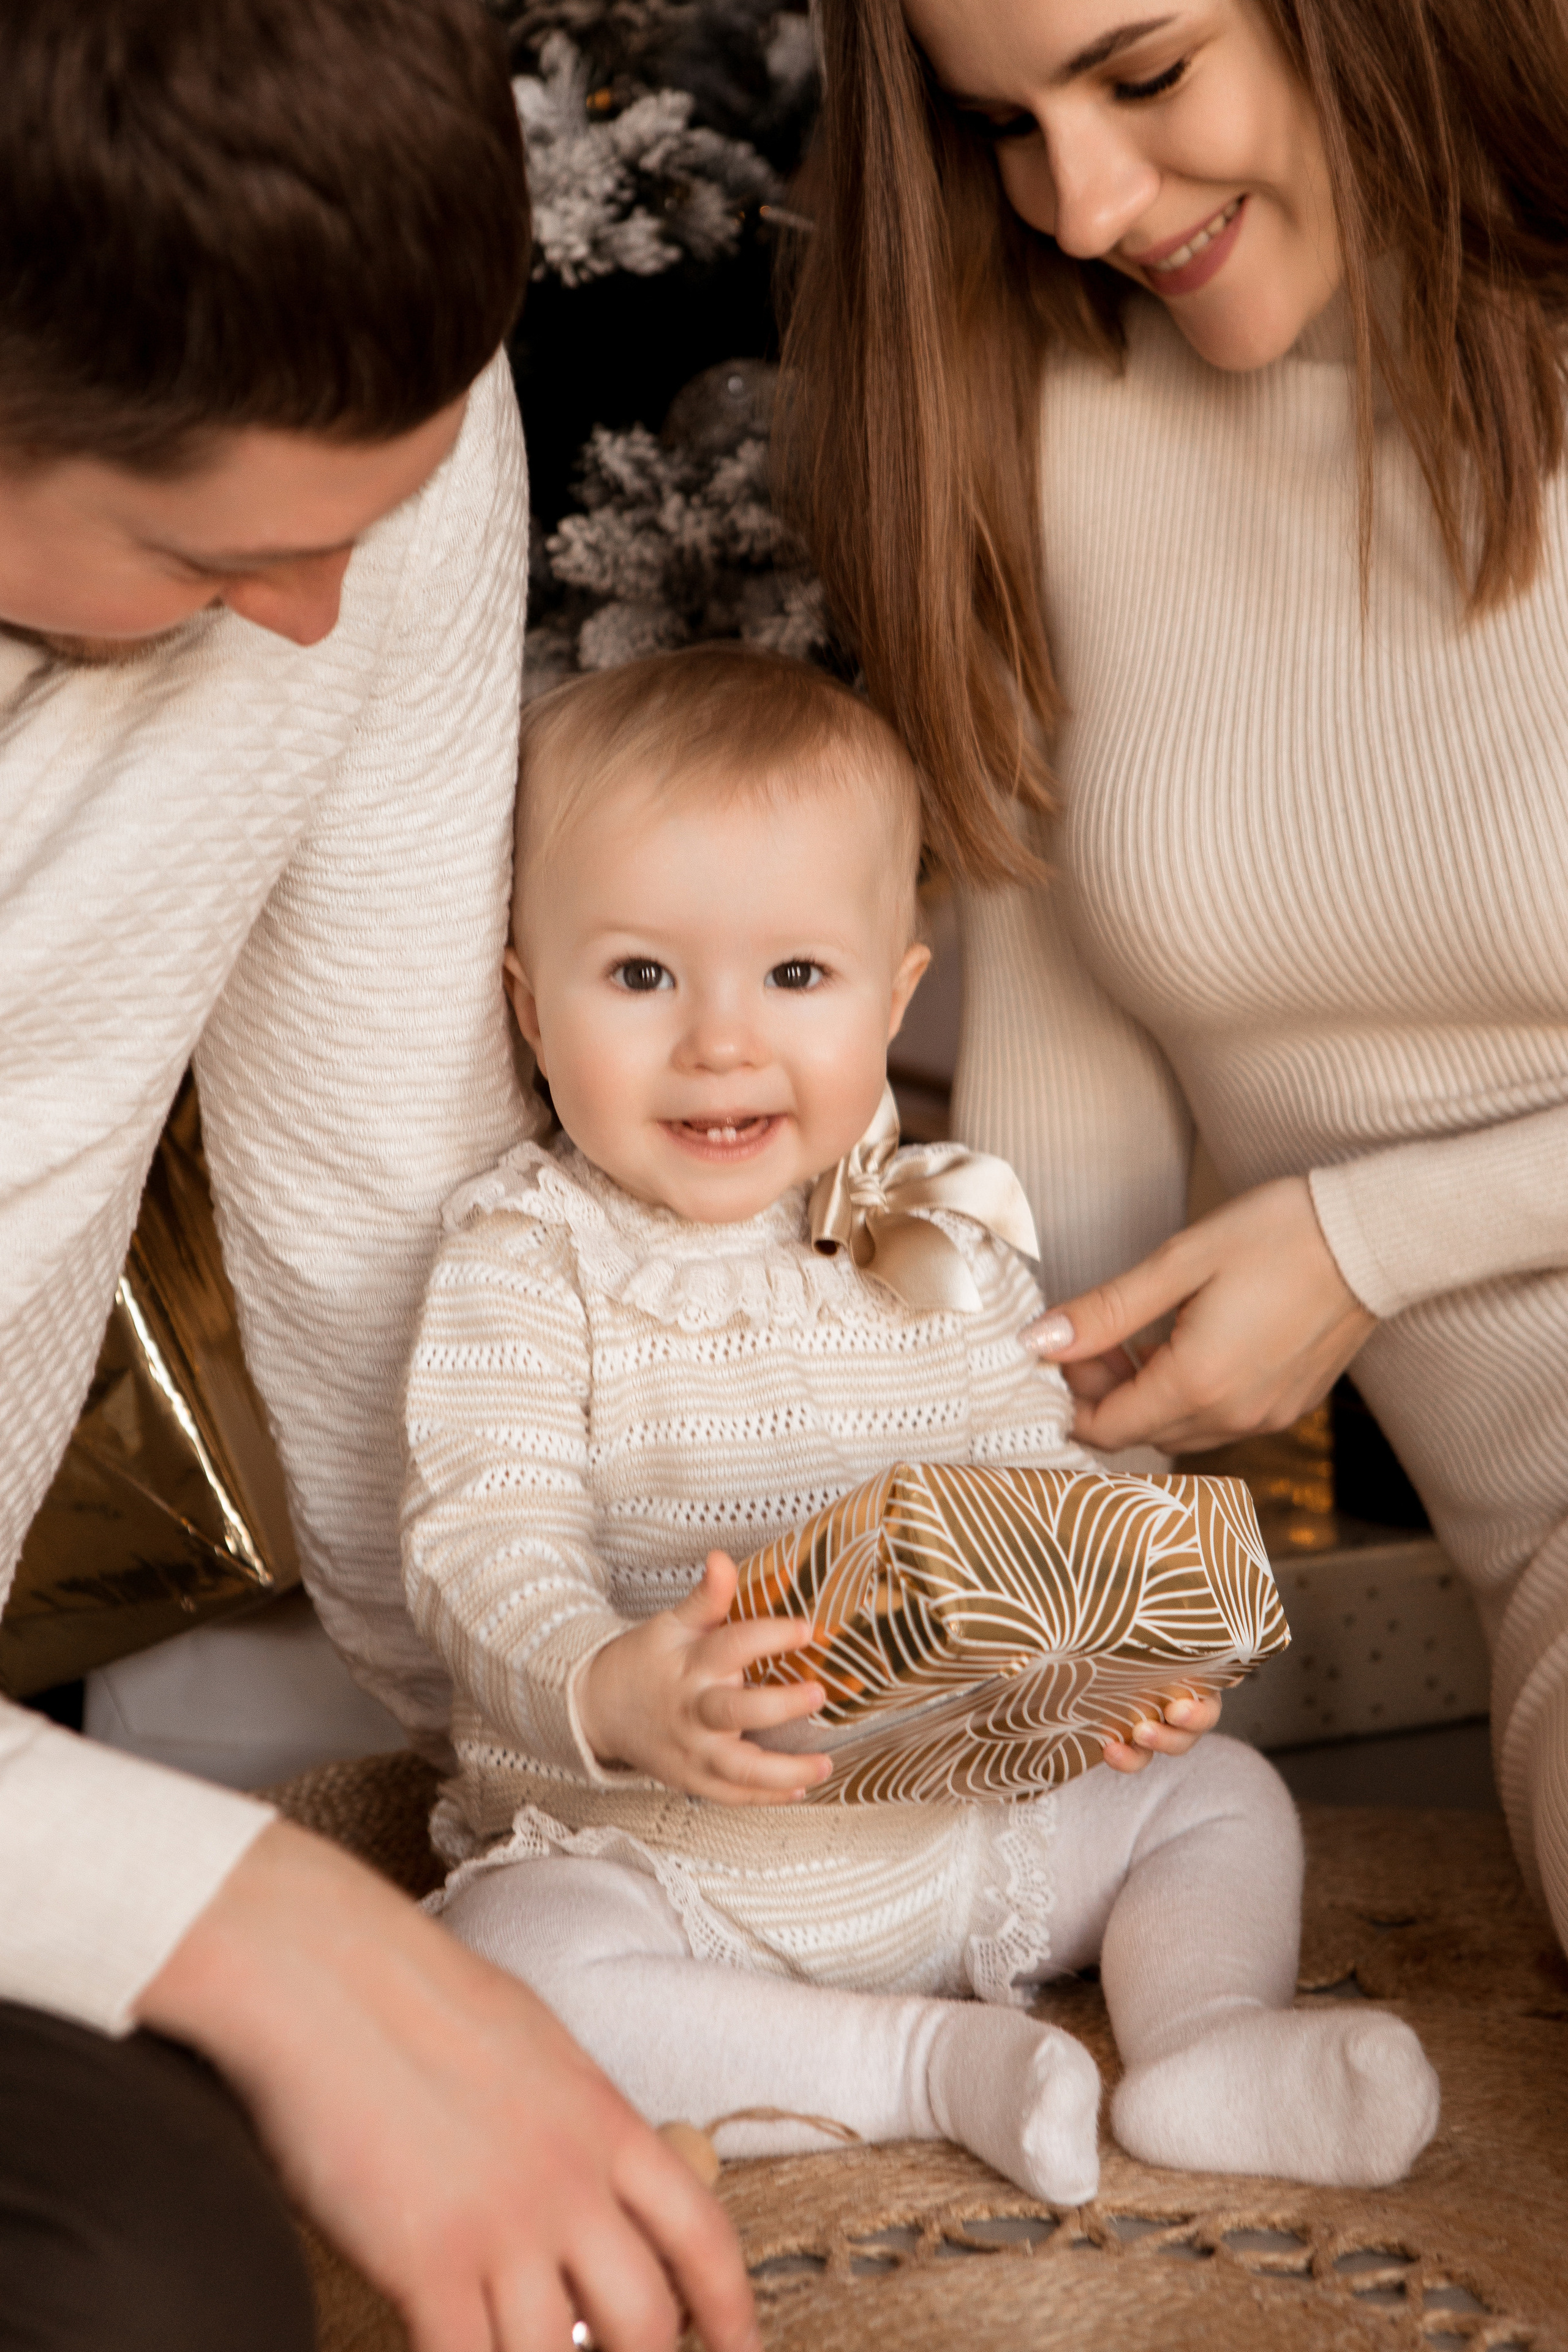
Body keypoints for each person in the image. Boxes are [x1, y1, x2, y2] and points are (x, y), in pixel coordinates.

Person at [0, 5, 756, 2348]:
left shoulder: (371, 470)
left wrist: (612, 1717)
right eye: (222, 551)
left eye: (382, 513)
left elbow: (372, 1219)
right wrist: (264, 1934)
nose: (328, 615)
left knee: (160, 2283)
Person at [399, 643, 1439, 2203]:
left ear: (895, 991)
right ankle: (914, 2069)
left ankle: (1208, 2039)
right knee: (500, 1981)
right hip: (663, 1865)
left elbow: (1043, 1479)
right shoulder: (525, 1255)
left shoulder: (931, 1236)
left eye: (794, 977)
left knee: (1216, 1797)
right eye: (638, 976)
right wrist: (612, 1683)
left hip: (962, 1841)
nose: (720, 1041)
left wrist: (1113, 1661)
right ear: (525, 1005)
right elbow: (482, 1536)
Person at [780, 0, 1568, 1951]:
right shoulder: (1049, 431)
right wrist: (930, 1678)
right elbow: (1068, 1203)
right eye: (1003, 130)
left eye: (1141, 76)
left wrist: (1370, 1243)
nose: (1079, 202)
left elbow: (1337, 1253)